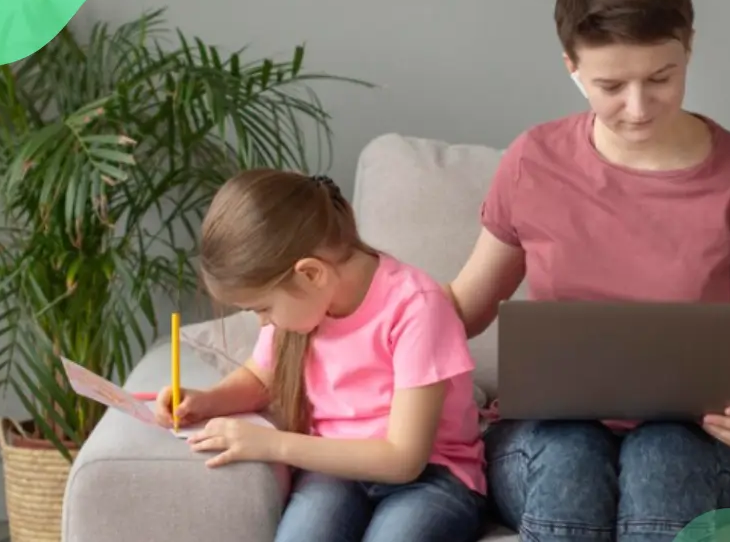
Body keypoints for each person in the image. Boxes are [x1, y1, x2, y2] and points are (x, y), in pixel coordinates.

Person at [443, 0, 730, 541]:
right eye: (610, 85)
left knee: (659, 454)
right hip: (548, 437)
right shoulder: (534, 161)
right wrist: (351, 311)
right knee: (572, 453)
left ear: (689, 47)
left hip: (695, 443)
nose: (637, 109)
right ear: (571, 67)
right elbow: (461, 309)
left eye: (662, 77)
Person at [153, 169, 487, 542]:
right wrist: (208, 401)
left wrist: (274, 445)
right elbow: (261, 378)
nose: (264, 323)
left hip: (431, 477)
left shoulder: (417, 308)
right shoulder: (301, 315)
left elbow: (404, 459)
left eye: (263, 308)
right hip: (333, 473)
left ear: (311, 274)